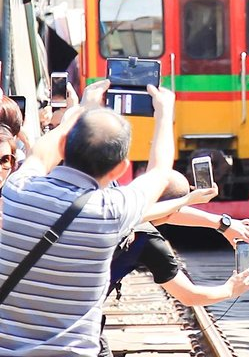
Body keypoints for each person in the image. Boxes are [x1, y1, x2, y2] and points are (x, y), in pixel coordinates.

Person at [0, 79, 176, 356]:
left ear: (64, 147)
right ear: (121, 169)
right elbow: (161, 172)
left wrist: (82, 109)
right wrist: (165, 114)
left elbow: (40, 152)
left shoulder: (18, 189)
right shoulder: (112, 211)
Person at [99, 171, 249, 356]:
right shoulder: (146, 241)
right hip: (78, 319)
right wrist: (230, 289)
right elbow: (190, 296)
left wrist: (222, 224)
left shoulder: (109, 197)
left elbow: (163, 210)